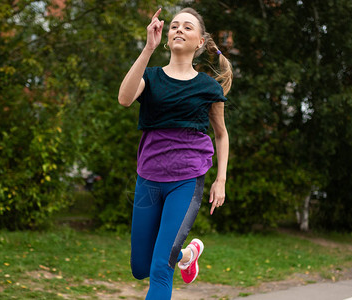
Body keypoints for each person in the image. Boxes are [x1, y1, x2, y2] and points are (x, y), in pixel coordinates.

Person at [118, 6, 232, 300]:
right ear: (167, 38)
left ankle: (173, 257)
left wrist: (220, 180)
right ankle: (186, 254)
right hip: (149, 178)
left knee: (159, 268)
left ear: (200, 42)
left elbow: (220, 133)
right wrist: (147, 49)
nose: (179, 29)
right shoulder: (152, 77)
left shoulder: (207, 87)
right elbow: (124, 98)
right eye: (175, 26)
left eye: (188, 27)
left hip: (186, 179)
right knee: (140, 266)